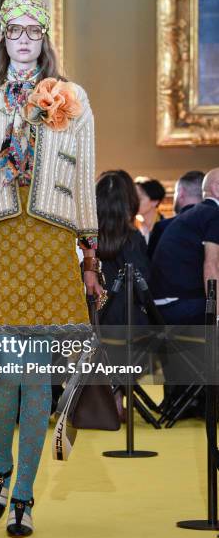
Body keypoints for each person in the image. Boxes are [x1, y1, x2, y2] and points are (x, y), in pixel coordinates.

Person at [0, 0, 101, 538]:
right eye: (17, 31)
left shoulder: (72, 99)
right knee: (5, 377)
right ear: (4, 37)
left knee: (37, 379)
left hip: (51, 242)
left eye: (35, 31)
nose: (26, 40)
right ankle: (1, 465)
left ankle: (25, 496)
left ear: (46, 38)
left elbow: (83, 183)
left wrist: (89, 260)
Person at [150, 168, 219, 415]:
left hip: (161, 308)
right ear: (216, 189)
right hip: (178, 307)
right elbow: (211, 266)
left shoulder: (191, 217)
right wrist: (216, 314)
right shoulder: (213, 214)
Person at [95, 172, 150, 419]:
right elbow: (144, 286)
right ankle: (118, 396)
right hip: (130, 327)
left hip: (91, 323)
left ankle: (109, 395)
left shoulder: (86, 240)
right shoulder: (133, 240)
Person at [148, 171, 204, 258]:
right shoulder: (212, 225)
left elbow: (150, 265)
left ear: (181, 193)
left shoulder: (163, 227)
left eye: (175, 193)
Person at [135, 177, 166, 243]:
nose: (134, 202)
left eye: (139, 199)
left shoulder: (165, 228)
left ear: (154, 201)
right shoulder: (134, 226)